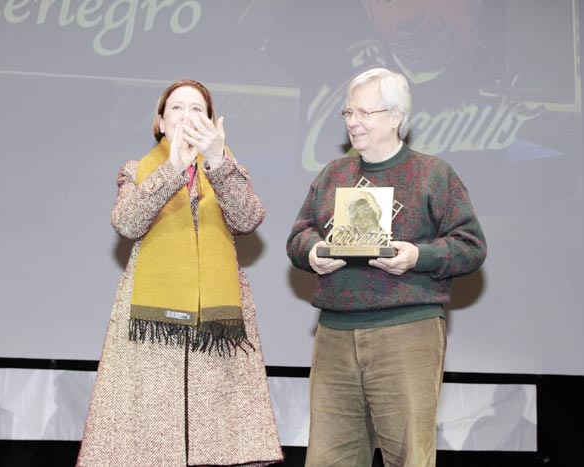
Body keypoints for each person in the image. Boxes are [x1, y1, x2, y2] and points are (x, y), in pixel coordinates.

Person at [286, 68, 487, 467]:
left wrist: (418, 257)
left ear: (396, 117)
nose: (353, 122)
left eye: (364, 113)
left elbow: (471, 246)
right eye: (347, 113)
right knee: (328, 457)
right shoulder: (332, 175)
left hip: (407, 331)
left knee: (409, 456)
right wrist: (312, 253)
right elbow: (298, 236)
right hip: (335, 334)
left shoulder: (434, 174)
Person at [77, 79, 283, 467]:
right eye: (176, 108)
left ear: (210, 122)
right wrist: (172, 170)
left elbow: (249, 217)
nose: (186, 116)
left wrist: (218, 162)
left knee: (217, 444)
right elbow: (126, 222)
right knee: (148, 445)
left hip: (213, 329)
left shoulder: (227, 168)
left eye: (196, 109)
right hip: (151, 328)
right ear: (159, 121)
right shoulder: (137, 170)